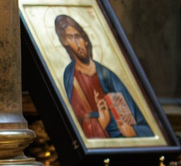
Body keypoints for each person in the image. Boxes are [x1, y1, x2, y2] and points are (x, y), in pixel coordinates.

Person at [55, 10, 152, 140]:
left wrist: (133, 131)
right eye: (71, 38)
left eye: (78, 36)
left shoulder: (107, 75)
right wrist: (100, 124)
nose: (77, 43)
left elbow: (140, 123)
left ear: (85, 39)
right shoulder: (70, 76)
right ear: (65, 42)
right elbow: (73, 123)